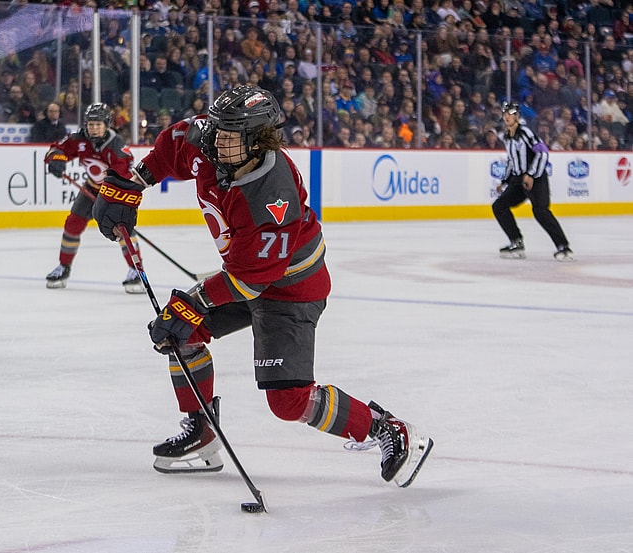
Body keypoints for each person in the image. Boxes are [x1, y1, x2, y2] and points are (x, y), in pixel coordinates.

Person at [91, 85, 433, 486]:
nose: (218, 140)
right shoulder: (211, 143)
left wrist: (195, 301)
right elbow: (176, 142)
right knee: (180, 333)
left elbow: (252, 279)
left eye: (231, 135)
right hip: (246, 273)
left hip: (289, 287)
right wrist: (134, 183)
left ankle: (387, 429)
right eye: (217, 129)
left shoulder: (272, 194)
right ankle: (202, 430)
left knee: (288, 401)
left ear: (258, 140)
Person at [43, 103, 145, 293]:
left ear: (107, 125)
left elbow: (123, 179)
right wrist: (56, 160)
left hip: (115, 194)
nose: (94, 128)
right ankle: (63, 267)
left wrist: (109, 201)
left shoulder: (117, 147)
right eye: (91, 124)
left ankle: (135, 271)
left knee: (123, 230)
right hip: (91, 187)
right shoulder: (79, 138)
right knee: (72, 224)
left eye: (98, 124)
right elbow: (57, 149)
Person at [493, 102, 575, 261]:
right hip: (518, 180)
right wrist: (504, 182)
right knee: (499, 206)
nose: (506, 117)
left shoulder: (526, 133)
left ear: (517, 116)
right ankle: (516, 241)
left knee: (540, 211)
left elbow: (543, 152)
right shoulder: (507, 137)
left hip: (535, 179)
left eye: (510, 114)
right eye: (504, 114)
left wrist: (531, 174)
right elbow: (511, 161)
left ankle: (563, 246)